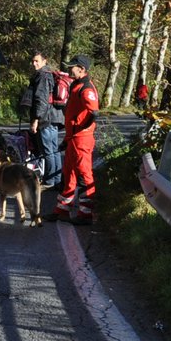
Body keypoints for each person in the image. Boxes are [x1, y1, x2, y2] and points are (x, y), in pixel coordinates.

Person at [52, 54, 100, 225]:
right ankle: (62, 211)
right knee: (69, 174)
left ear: (82, 69)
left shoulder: (86, 88)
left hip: (82, 139)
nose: (69, 68)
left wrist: (81, 129)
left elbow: (94, 112)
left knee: (85, 176)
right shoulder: (76, 85)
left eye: (72, 66)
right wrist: (67, 138)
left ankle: (86, 214)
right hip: (74, 138)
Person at [27, 51, 63, 188]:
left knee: (48, 151)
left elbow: (41, 100)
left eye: (37, 61)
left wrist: (36, 119)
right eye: (33, 61)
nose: (34, 63)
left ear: (44, 61)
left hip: (46, 118)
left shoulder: (42, 76)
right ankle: (57, 180)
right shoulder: (50, 75)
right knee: (54, 151)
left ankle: (50, 181)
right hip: (54, 117)